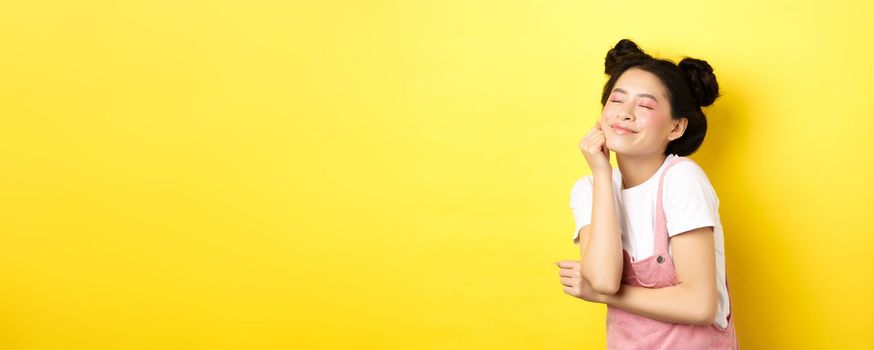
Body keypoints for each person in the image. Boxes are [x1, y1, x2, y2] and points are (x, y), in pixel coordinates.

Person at [555, 39, 739, 349]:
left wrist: (599, 295)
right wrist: (602, 172)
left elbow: (699, 305)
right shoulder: (588, 189)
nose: (625, 114)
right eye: (617, 100)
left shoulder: (681, 179)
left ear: (676, 128)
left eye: (645, 105)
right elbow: (603, 279)